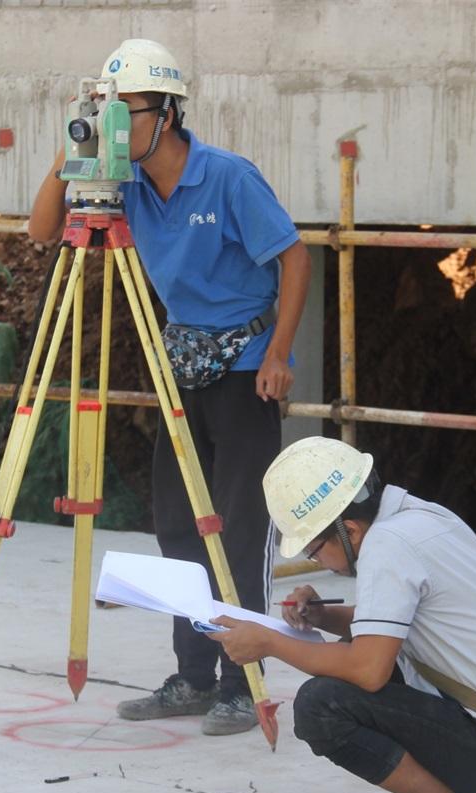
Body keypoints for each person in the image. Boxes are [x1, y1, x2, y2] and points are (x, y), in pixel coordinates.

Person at [28, 39, 312, 736]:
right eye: (110, 109)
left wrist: (280, 353)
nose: (119, 123)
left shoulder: (227, 177)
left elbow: (295, 257)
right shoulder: (121, 183)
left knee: (240, 529)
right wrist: (76, 151)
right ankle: (192, 676)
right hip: (179, 365)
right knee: (180, 527)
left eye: (129, 109)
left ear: (169, 113)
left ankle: (243, 681)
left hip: (245, 366)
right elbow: (42, 232)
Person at [207, 436, 476, 793]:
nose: (323, 564)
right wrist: (320, 617)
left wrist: (270, 643)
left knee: (322, 704)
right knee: (354, 662)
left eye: (316, 551)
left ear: (348, 530)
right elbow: (397, 625)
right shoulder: (416, 517)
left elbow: (370, 669)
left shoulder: (388, 548)